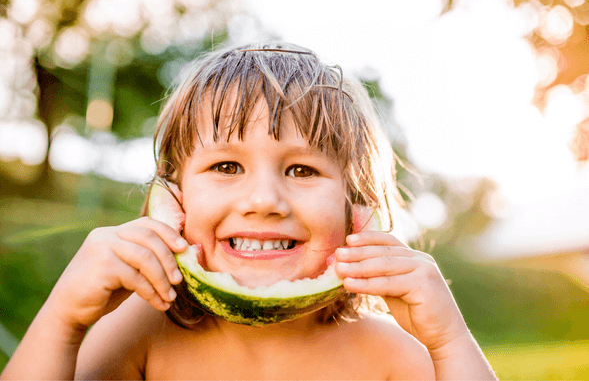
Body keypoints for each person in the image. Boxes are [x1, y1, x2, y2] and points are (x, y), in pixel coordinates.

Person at [1, 42, 497, 380]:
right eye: (226, 166)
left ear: (355, 207)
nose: (263, 201)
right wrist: (61, 321)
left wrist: (449, 341)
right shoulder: (140, 333)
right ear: (173, 201)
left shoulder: (389, 353)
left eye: (303, 171)